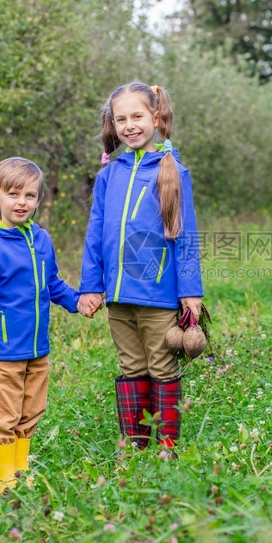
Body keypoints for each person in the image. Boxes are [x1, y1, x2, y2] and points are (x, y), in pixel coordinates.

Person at [77, 81, 203, 455]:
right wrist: (91, 285)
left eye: (137, 116)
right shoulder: (107, 176)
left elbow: (186, 236)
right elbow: (95, 233)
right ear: (112, 125)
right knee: (132, 367)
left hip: (158, 295)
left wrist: (190, 292)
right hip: (118, 296)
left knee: (162, 367)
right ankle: (136, 442)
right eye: (121, 119)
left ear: (156, 117)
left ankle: (166, 444)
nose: (130, 125)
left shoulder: (173, 171)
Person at [0, 156, 83, 494]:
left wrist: (77, 300)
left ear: (39, 200)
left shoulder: (41, 240)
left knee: (30, 413)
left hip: (36, 349)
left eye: (30, 196)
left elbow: (51, 283)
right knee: (2, 416)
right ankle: (1, 479)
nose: (22, 202)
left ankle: (19, 470)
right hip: (1, 351)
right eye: (13, 194)